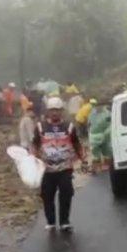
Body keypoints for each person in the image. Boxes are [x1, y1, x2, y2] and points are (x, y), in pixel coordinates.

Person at [33, 97, 84, 232]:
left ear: (62, 111)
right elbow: (35, 144)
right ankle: (50, 222)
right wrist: (33, 159)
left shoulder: (69, 126)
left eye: (57, 110)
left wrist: (82, 158)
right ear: (48, 112)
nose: (54, 113)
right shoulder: (40, 126)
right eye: (52, 110)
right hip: (46, 169)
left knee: (66, 194)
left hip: (65, 168)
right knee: (47, 195)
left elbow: (76, 143)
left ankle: (64, 221)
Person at [88, 104, 112, 174]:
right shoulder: (92, 114)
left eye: (99, 105)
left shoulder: (107, 113)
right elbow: (89, 125)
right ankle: (95, 168)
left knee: (107, 152)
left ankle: (108, 167)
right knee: (95, 154)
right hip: (94, 136)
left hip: (105, 136)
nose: (98, 107)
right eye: (96, 106)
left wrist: (107, 133)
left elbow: (110, 124)